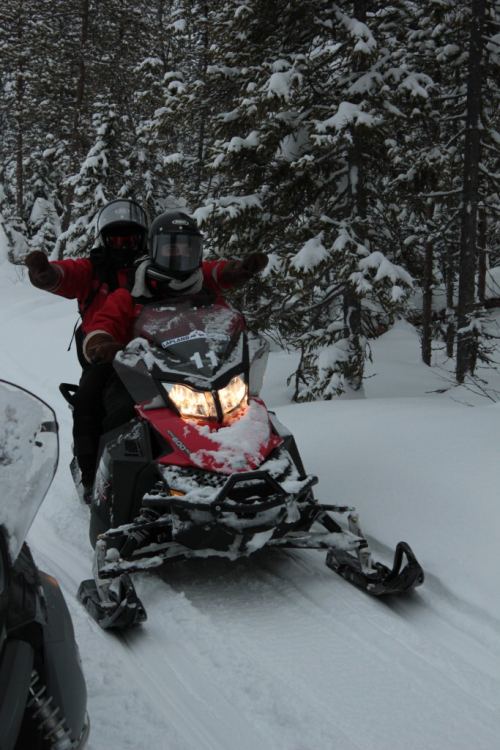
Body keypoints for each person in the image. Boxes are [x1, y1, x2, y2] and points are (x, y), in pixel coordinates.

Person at [82, 209, 268, 435]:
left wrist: (242, 342)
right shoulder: (132, 293)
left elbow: (227, 320)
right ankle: (97, 466)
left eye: (185, 249)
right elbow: (103, 322)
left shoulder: (204, 291)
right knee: (120, 413)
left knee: (248, 411)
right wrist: (103, 343)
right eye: (170, 249)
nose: (178, 256)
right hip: (140, 374)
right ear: (155, 250)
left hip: (201, 372)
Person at [24, 198, 150, 501]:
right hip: (103, 353)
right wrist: (47, 274)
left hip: (158, 349)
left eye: (129, 239)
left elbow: (193, 276)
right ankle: (92, 475)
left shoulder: (151, 268)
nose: (122, 246)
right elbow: (66, 274)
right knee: (88, 399)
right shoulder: (92, 268)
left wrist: (233, 273)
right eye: (116, 239)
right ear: (105, 240)